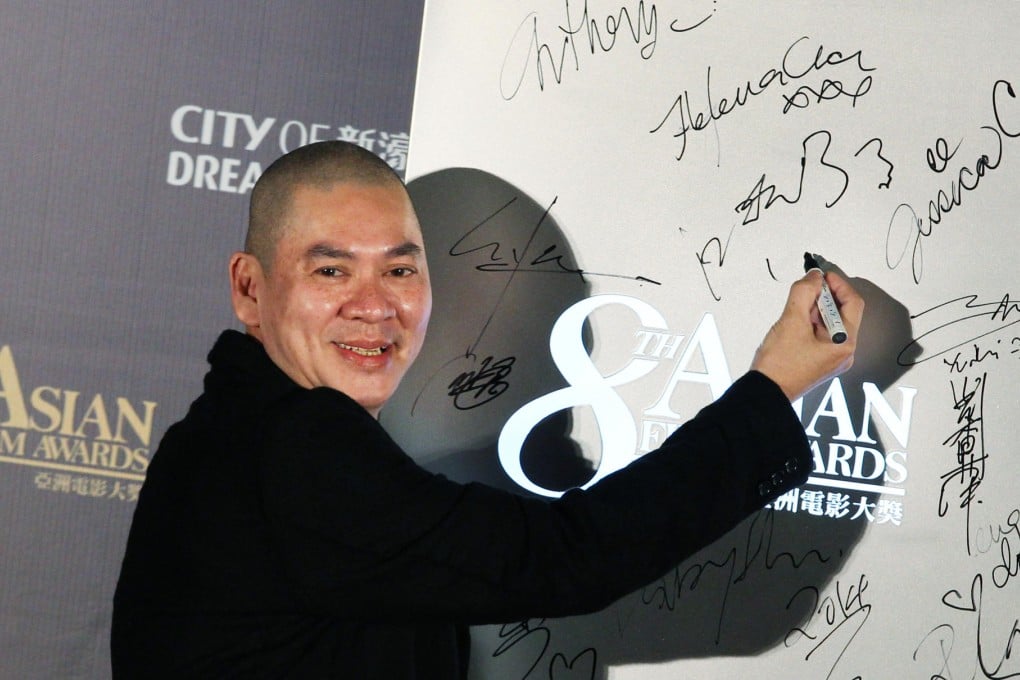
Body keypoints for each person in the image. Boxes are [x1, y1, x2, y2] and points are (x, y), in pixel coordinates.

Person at [111, 140, 863, 678]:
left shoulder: (225, 434)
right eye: (331, 270)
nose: (374, 306)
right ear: (250, 288)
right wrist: (773, 386)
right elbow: (564, 558)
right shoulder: (293, 445)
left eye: (400, 270)